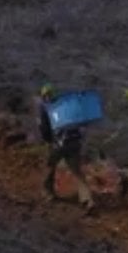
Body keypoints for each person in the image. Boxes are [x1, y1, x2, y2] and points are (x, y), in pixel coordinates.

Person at [37, 83, 95, 212]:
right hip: (75, 143)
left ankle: (48, 194)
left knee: (49, 167)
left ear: (44, 95)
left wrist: (48, 141)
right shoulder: (65, 105)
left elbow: (44, 128)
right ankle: (87, 200)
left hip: (59, 144)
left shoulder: (45, 107)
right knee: (77, 171)